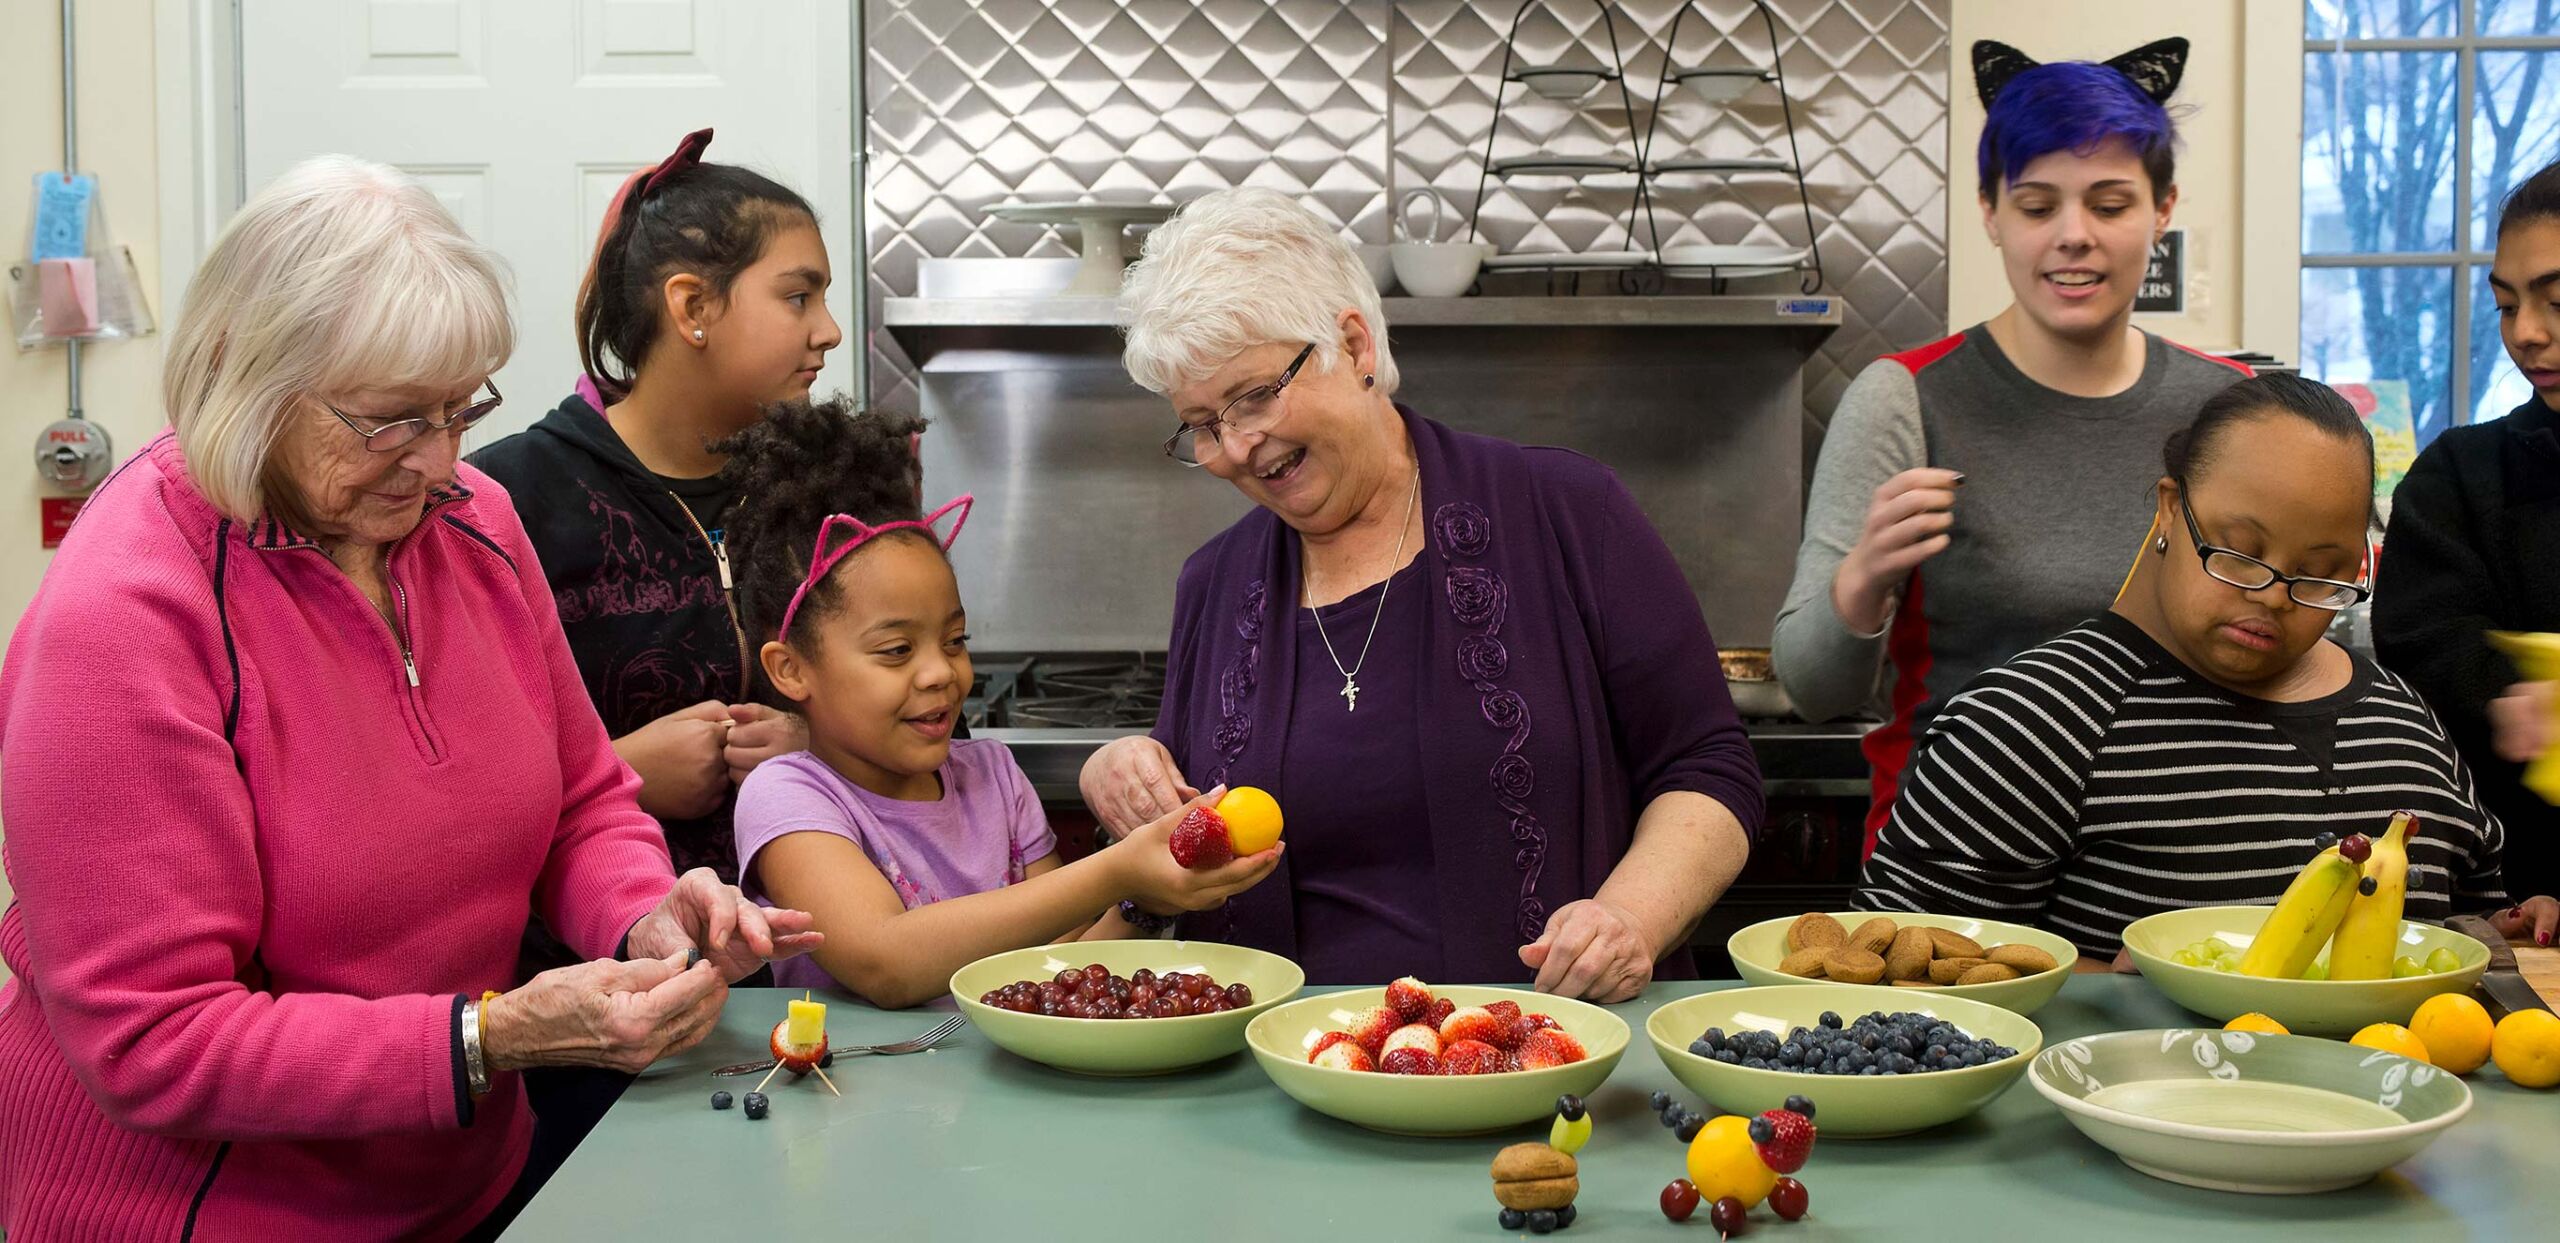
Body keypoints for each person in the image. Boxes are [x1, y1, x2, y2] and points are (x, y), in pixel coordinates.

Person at [0, 156, 816, 1241]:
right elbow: (155, 1046)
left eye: (458, 409)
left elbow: (581, 797)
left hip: (462, 1186)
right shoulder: (128, 614)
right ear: (250, 382)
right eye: (391, 421)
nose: (440, 461)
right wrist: (486, 1038)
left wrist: (642, 912)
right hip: (207, 1213)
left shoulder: (473, 520)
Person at [1083, 187, 1762, 1001]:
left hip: (1543, 1048)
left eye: (1255, 395)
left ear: (1354, 343)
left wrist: (1630, 917)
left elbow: (1708, 766)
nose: (1235, 447)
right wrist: (1121, 772)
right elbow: (1181, 844)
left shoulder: (1564, 510)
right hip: (1288, 1070)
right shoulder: (1214, 585)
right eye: (1200, 423)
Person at [1855, 373, 2558, 958]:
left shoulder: (2404, 722)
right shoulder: (2032, 720)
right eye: (2239, 552)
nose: (2274, 599)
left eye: (2320, 575)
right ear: (2169, 512)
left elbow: (2465, 914)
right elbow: (1898, 967)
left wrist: (2504, 931)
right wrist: (2109, 990)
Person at [1773, 38, 2251, 853]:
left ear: (2162, 209)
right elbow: (1813, 690)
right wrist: (1863, 581)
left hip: (2180, 870)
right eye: (2037, 207)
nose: (2074, 236)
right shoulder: (1905, 397)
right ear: (1991, 212)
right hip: (1957, 879)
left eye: (2109, 204)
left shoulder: (2228, 404)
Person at [721, 400, 1281, 1008]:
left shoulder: (992, 776)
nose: (940, 672)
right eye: (896, 649)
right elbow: (886, 961)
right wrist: (1119, 869)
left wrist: (1147, 899)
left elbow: (1062, 963)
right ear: (791, 669)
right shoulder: (788, 796)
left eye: (955, 640)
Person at [471, 128, 838, 886]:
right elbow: (442, 784)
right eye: (799, 296)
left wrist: (820, 745)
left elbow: (933, 724)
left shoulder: (834, 487)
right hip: (589, 969)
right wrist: (619, 769)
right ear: (692, 305)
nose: (828, 330)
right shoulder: (506, 500)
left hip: (823, 956)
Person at [2376, 156, 2560, 929]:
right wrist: (2504, 692)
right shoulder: (2462, 472)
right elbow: (2422, 651)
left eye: (2556, 300)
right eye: (2506, 304)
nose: (2527, 333)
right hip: (2520, 900)